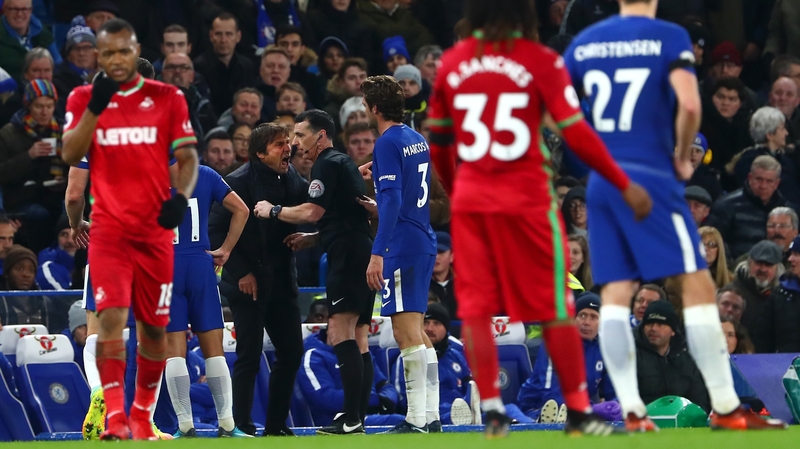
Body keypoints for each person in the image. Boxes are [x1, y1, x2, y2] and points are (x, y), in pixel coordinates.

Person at [427, 0, 652, 438]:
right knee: (555, 306)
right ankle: (580, 412)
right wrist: (622, 182)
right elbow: (576, 132)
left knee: (474, 307)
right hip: (527, 198)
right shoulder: (540, 60)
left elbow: (439, 145)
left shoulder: (453, 63)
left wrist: (460, 191)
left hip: (474, 199)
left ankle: (491, 408)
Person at [564, 0, 786, 431]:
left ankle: (631, 410)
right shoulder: (668, 37)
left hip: (604, 179)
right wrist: (684, 157)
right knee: (697, 281)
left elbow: (563, 113)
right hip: (650, 174)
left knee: (615, 291)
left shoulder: (585, 44)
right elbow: (687, 104)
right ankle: (725, 407)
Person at [61, 18, 199, 440]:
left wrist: (180, 197)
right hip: (109, 234)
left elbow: (189, 158)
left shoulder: (168, 98)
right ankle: (116, 415)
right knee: (112, 319)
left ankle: (142, 414)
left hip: (154, 233)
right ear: (100, 58)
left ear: (134, 50)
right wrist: (95, 109)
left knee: (154, 328)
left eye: (124, 50)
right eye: (109, 52)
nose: (117, 59)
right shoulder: (84, 98)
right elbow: (69, 151)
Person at [254, 109, 373, 435]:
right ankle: (355, 418)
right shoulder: (344, 162)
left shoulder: (326, 163)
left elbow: (312, 209)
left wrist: (272, 210)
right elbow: (347, 217)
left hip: (347, 257)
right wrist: (315, 238)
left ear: (320, 136)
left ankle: (350, 420)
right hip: (360, 251)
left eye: (301, 135)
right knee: (359, 336)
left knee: (340, 332)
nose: (295, 142)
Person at [207, 122, 308, 436]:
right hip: (246, 283)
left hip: (281, 282)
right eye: (279, 144)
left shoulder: (291, 177)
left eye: (286, 142)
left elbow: (312, 204)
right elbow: (215, 230)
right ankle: (241, 425)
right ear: (260, 153)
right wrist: (240, 273)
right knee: (248, 355)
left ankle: (276, 426)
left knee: (291, 352)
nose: (287, 148)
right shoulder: (235, 182)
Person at [357, 75, 440, 434]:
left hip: (401, 243)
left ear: (374, 108)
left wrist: (378, 252)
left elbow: (391, 200)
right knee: (419, 333)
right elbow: (404, 191)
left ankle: (416, 419)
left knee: (405, 334)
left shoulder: (387, 142)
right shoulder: (415, 138)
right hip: (423, 237)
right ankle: (432, 415)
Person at [164, 165, 249, 438]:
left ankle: (185, 426)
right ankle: (227, 424)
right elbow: (242, 210)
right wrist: (225, 249)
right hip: (201, 264)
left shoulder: (147, 176)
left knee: (174, 351)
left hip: (165, 267)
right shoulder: (204, 174)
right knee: (214, 349)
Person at [518, 293, 618, 421]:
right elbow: (551, 394)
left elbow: (613, 392)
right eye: (582, 315)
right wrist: (591, 409)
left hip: (579, 410)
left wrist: (616, 407)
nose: (587, 322)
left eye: (593, 317)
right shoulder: (555, 343)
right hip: (537, 408)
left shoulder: (603, 349)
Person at [634, 300, 711, 413]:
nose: (654, 328)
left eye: (660, 324)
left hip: (683, 422)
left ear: (673, 331)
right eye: (649, 324)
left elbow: (699, 397)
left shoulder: (686, 356)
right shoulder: (631, 354)